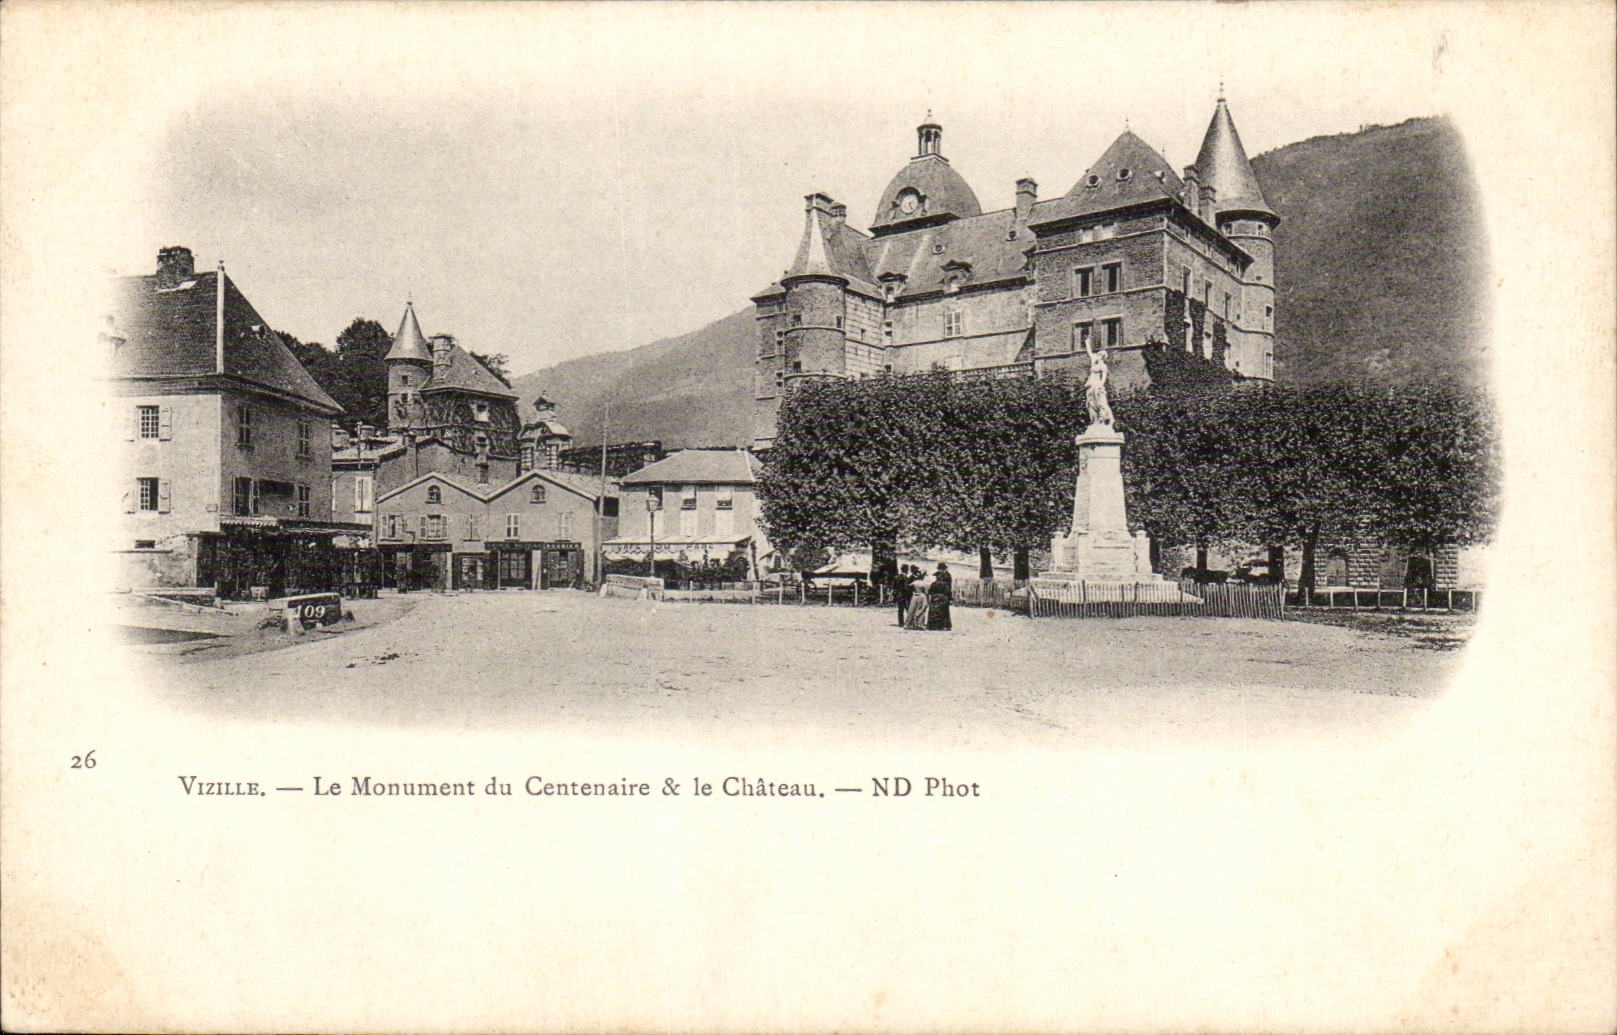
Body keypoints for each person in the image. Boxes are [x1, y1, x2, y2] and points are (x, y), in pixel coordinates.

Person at [927, 562, 953, 631]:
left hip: (943, 594)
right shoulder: (943, 575)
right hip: (942, 594)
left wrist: (949, 597)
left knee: (944, 610)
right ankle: (942, 625)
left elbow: (949, 587)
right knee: (943, 610)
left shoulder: (947, 575)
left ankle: (944, 625)